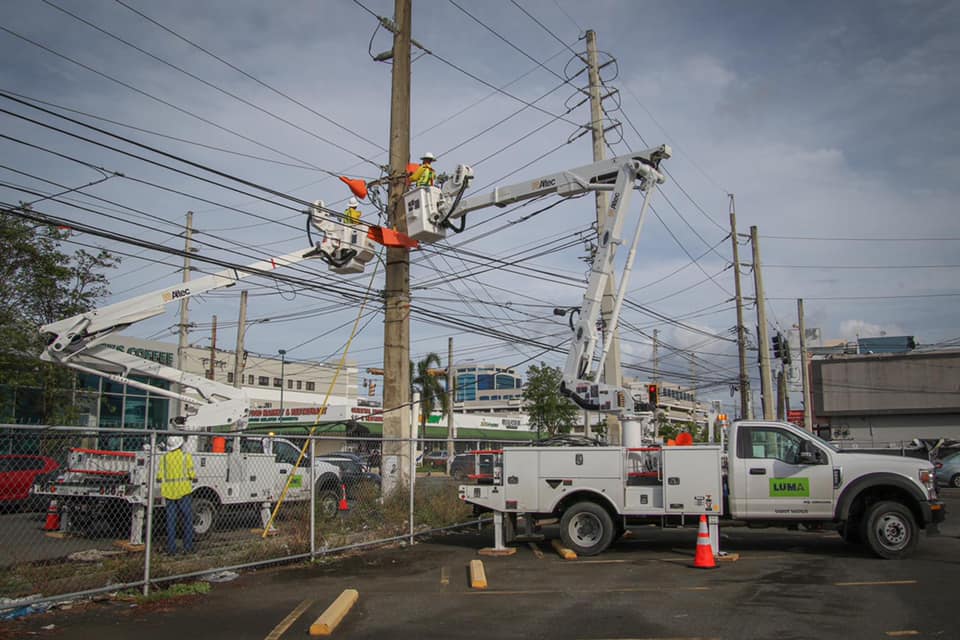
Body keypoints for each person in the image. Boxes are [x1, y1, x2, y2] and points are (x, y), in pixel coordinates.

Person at [156, 435, 196, 554]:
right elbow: (192, 474)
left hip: (169, 491)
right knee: (187, 519)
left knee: (171, 520)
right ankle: (188, 547)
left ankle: (171, 548)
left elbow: (159, 476)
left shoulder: (165, 458)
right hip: (183, 491)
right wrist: (192, 477)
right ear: (181, 444)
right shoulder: (186, 457)